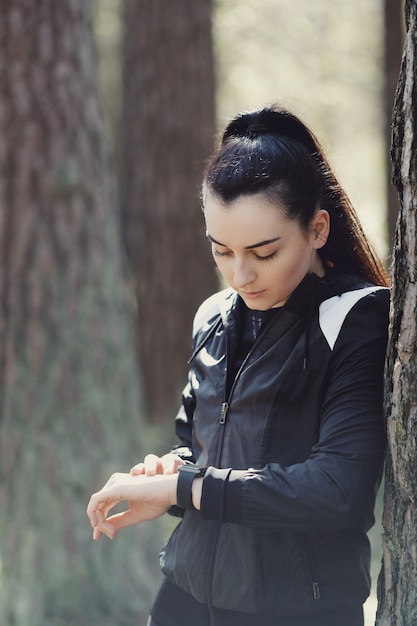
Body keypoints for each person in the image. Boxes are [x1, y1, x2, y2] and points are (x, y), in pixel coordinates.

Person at [87, 104, 390, 626]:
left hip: (298, 609)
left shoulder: (357, 316)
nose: (240, 275)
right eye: (221, 251)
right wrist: (171, 473)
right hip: (182, 597)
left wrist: (183, 488)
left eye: (264, 252)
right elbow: (203, 447)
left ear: (317, 228)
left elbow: (337, 490)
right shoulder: (214, 314)